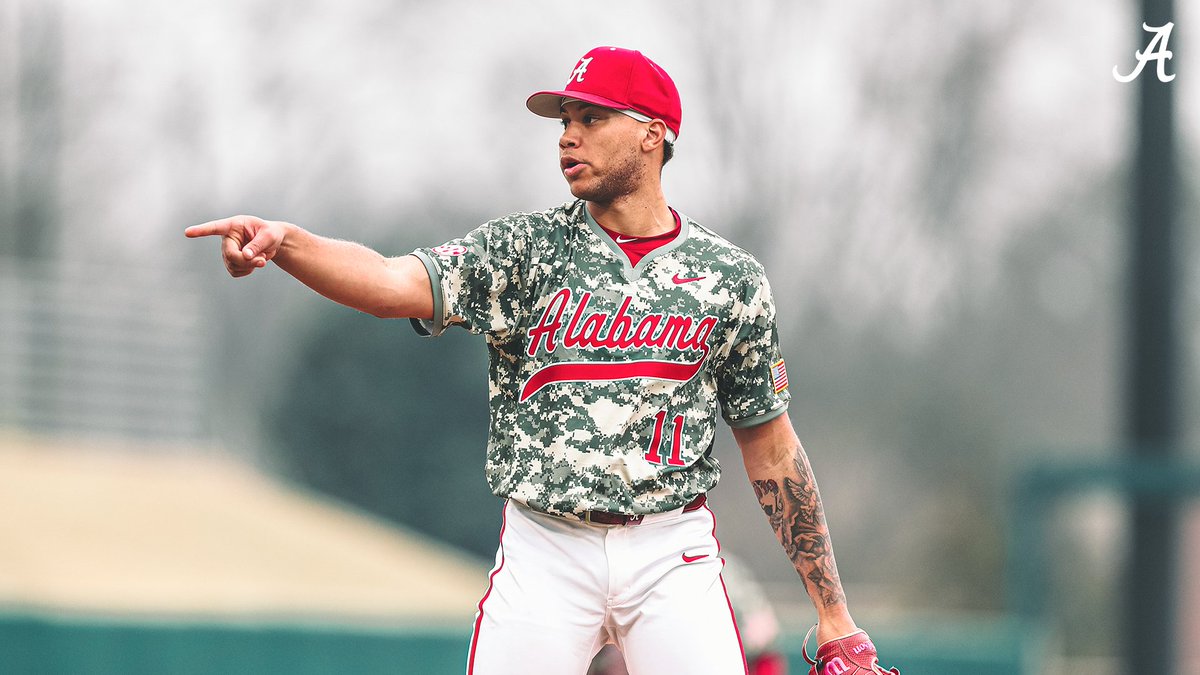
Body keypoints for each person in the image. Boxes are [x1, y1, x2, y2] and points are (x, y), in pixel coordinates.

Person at [186, 45, 894, 675]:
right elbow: (389, 283)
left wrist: (833, 614)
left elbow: (771, 449)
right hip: (545, 547)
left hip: (671, 550)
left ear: (653, 135)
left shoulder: (728, 277)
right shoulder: (524, 251)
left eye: (591, 117)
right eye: (563, 121)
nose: (568, 136)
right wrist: (286, 245)